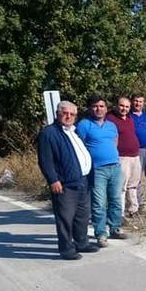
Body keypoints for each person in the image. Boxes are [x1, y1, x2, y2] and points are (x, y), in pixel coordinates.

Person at [36, 101, 99, 260]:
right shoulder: (49, 133)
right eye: (65, 113)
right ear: (58, 114)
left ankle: (81, 243)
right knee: (65, 218)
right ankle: (66, 249)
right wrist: (53, 180)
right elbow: (45, 160)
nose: (68, 116)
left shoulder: (74, 131)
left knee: (82, 216)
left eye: (72, 114)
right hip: (65, 184)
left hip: (83, 181)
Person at [76, 95, 126, 247]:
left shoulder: (111, 125)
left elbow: (115, 142)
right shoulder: (84, 125)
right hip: (97, 170)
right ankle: (101, 234)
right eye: (95, 106)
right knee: (99, 203)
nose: (99, 109)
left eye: (102, 106)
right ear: (90, 108)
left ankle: (115, 228)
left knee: (116, 200)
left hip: (115, 167)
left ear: (106, 108)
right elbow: (79, 147)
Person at [107, 95, 142, 217]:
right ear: (116, 105)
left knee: (133, 185)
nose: (124, 109)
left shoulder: (129, 118)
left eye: (127, 107)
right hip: (122, 157)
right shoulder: (110, 119)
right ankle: (119, 213)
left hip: (135, 156)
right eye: (121, 106)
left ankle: (133, 209)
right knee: (121, 186)